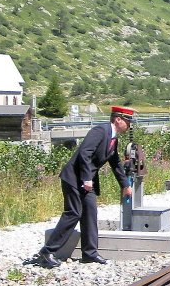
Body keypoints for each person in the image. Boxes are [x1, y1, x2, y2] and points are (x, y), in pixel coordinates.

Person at [33, 106, 134, 268]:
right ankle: (47, 251)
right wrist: (87, 178)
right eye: (128, 121)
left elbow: (115, 163)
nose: (129, 125)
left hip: (87, 181)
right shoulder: (100, 131)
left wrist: (125, 185)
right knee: (74, 213)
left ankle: (90, 253)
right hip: (74, 178)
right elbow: (84, 153)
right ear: (118, 119)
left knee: (90, 212)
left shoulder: (113, 138)